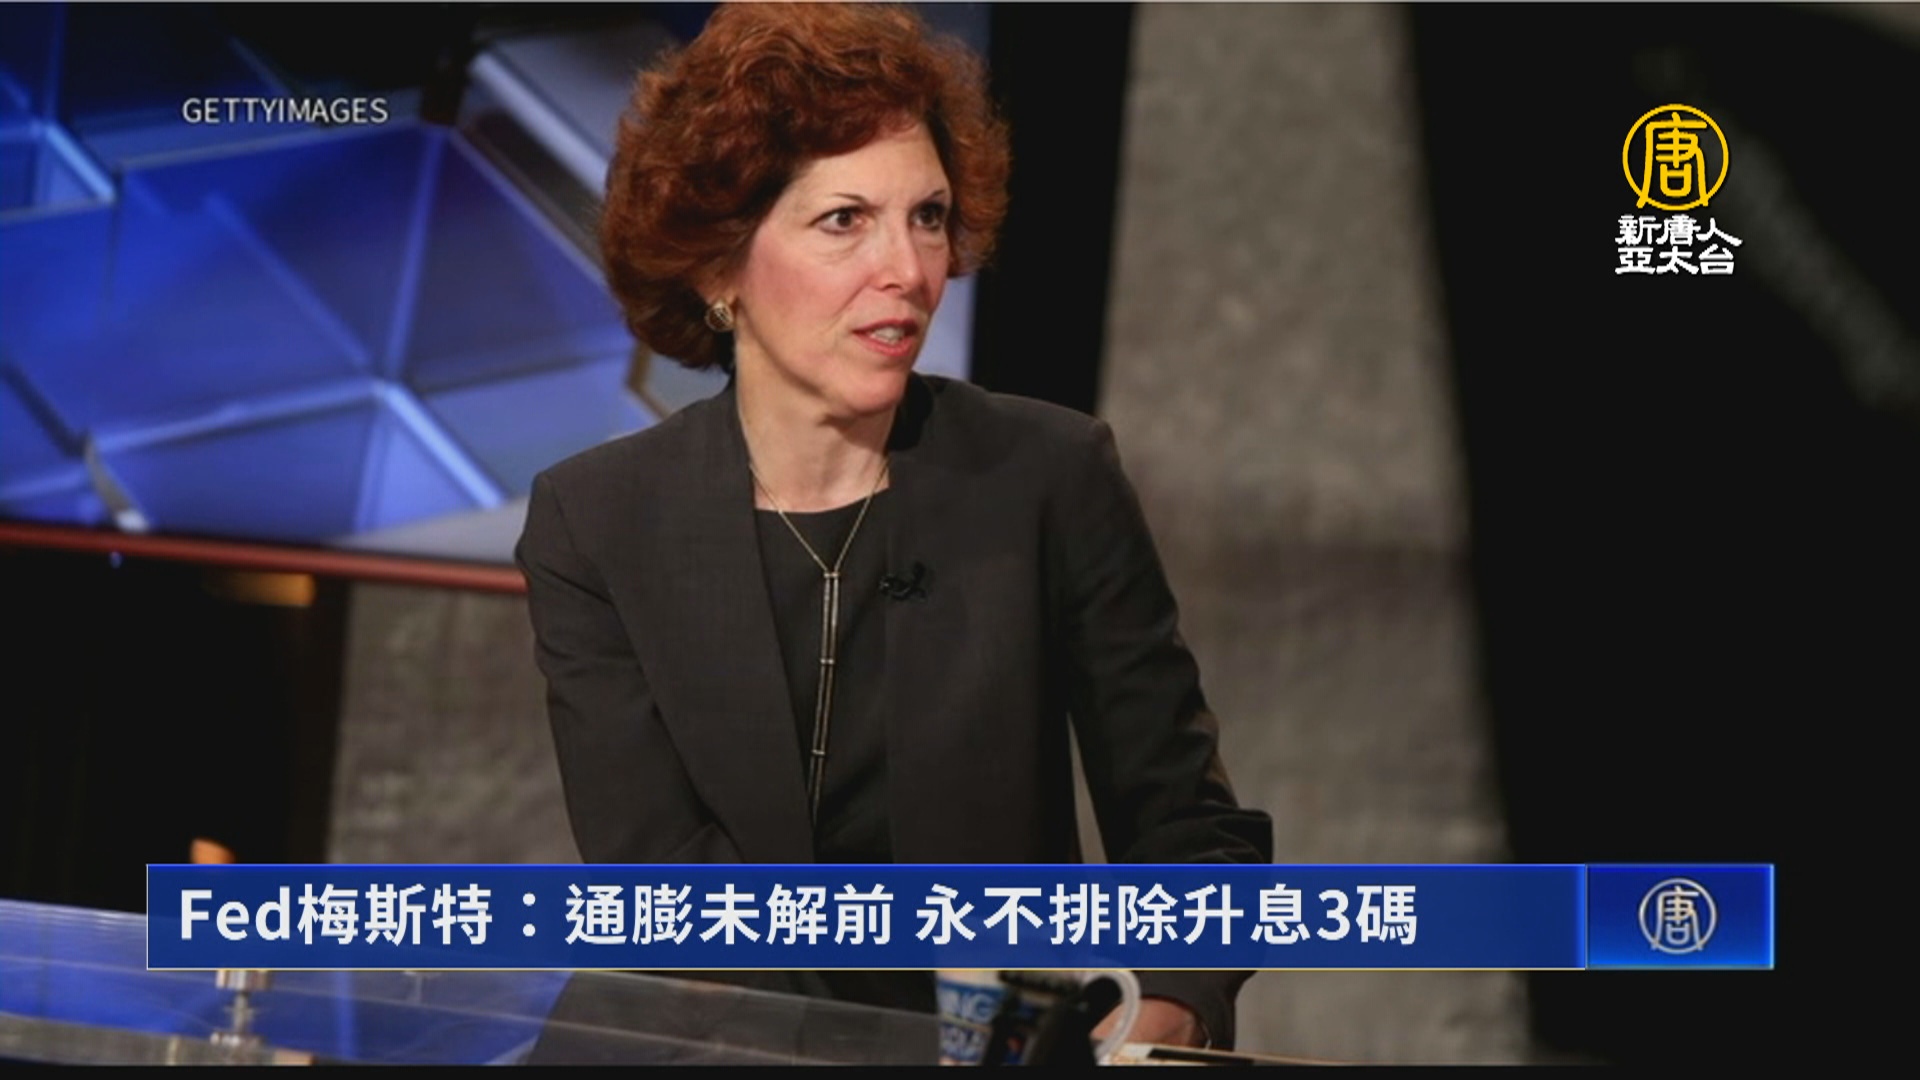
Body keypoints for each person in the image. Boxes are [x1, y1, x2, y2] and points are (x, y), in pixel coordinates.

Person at [516, 2, 1272, 1051]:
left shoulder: (1048, 476)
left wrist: (1167, 1002)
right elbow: (668, 901)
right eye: (845, 220)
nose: (909, 271)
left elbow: (1192, 833)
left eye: (927, 217)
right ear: (720, 265)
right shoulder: (596, 519)